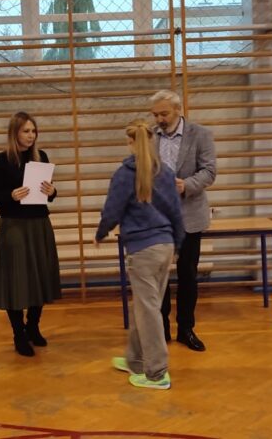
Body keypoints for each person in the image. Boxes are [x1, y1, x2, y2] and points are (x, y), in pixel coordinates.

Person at [96, 118, 184, 390]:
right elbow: (176, 212)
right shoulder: (165, 172)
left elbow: (112, 210)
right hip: (165, 246)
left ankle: (157, 373)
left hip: (143, 251)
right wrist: (178, 244)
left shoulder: (125, 174)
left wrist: (100, 232)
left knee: (148, 312)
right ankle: (135, 360)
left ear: (131, 142)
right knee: (145, 307)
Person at [0, 112, 62, 357]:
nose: (31, 136)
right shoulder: (0, 161)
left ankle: (33, 326)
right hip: (14, 225)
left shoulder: (41, 158)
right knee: (17, 280)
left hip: (39, 223)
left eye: (33, 131)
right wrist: (9, 195)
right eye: (26, 131)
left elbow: (48, 193)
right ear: (15, 133)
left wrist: (52, 191)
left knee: (40, 275)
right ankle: (18, 333)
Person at [149, 89, 216, 352]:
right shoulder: (149, 136)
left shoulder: (200, 134)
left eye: (164, 114)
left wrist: (185, 185)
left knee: (188, 275)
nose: (159, 119)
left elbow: (209, 171)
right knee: (159, 276)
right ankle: (161, 328)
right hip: (157, 217)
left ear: (178, 110)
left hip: (190, 215)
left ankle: (186, 329)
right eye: (155, 115)